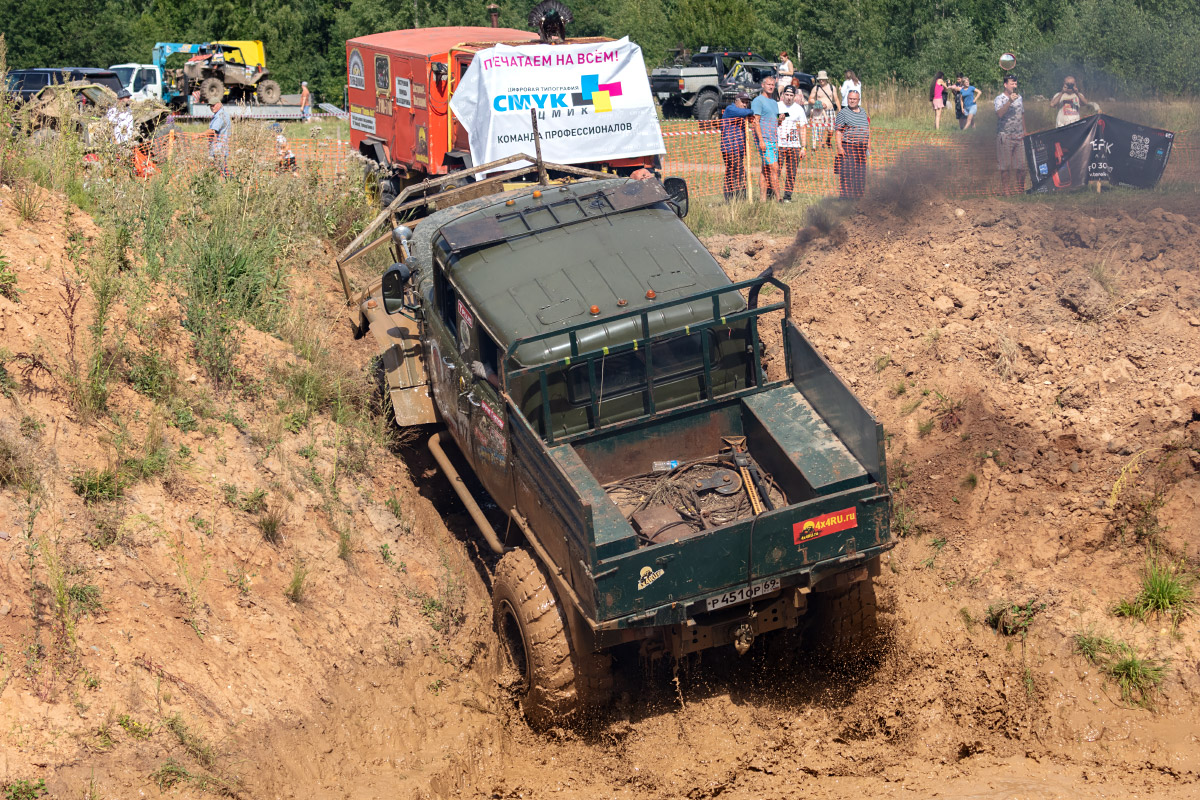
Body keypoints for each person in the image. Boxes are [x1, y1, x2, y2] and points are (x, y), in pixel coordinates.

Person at [750, 75, 781, 201]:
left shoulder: (774, 102)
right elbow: (755, 121)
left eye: (773, 85)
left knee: (765, 169)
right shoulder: (758, 101)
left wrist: (781, 120)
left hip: (773, 139)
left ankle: (762, 199)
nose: (771, 87)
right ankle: (779, 199)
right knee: (774, 168)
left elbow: (775, 121)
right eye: (768, 84)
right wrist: (761, 140)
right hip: (764, 140)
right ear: (763, 85)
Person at [994, 74, 1026, 195]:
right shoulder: (999, 99)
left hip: (1019, 136)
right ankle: (1006, 192)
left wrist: (1025, 130)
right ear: (1005, 84)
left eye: (1016, 83)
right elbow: (999, 114)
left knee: (1021, 167)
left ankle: (1021, 191)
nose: (1014, 85)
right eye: (1012, 83)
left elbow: (1022, 113)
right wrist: (1009, 101)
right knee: (1005, 167)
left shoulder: (1020, 98)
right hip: (1005, 136)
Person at [834, 89, 869, 198]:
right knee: (847, 174)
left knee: (860, 174)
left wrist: (868, 146)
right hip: (848, 147)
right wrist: (839, 147)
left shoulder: (863, 112)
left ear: (858, 100)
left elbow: (867, 129)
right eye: (850, 99)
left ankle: (858, 197)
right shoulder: (843, 113)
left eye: (854, 99)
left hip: (861, 148)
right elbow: (838, 131)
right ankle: (845, 198)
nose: (852, 101)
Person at [719, 92, 754, 201]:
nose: (745, 105)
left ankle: (730, 199)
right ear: (736, 100)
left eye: (747, 103)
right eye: (743, 102)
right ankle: (740, 198)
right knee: (739, 172)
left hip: (737, 148)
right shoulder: (731, 109)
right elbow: (748, 111)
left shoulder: (741, 115)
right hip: (730, 148)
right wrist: (751, 111)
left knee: (731, 172)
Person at [777, 84, 808, 202]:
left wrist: (803, 147)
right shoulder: (777, 106)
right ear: (783, 95)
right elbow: (770, 122)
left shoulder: (799, 109)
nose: (789, 97)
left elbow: (803, 128)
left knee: (791, 172)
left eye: (791, 95)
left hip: (794, 146)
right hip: (779, 144)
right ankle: (772, 194)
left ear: (795, 96)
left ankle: (787, 197)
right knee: (776, 171)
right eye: (787, 95)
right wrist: (777, 119)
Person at [808, 70, 839, 148]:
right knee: (820, 129)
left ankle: (828, 140)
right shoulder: (816, 88)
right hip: (819, 111)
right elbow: (810, 99)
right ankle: (821, 144)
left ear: (826, 79)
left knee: (831, 130)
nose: (821, 80)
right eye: (820, 79)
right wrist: (819, 104)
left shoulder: (832, 87)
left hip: (830, 110)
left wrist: (840, 110)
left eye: (823, 79)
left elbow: (836, 99)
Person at [208, 100, 231, 175]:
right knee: (222, 170)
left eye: (213, 105)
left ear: (219, 104)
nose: (212, 107)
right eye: (210, 106)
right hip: (221, 148)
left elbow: (213, 130)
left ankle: (230, 183)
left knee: (223, 171)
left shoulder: (220, 116)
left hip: (219, 148)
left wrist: (199, 135)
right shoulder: (221, 114)